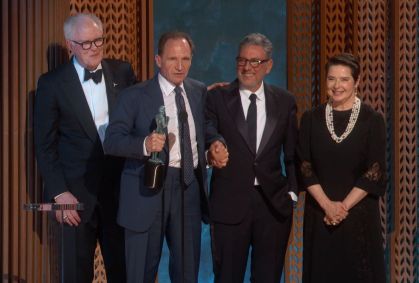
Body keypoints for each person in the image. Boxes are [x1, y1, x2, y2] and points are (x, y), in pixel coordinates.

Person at [103, 31, 227, 283]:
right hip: (146, 187)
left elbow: (205, 128)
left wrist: (215, 144)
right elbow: (112, 141)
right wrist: (145, 144)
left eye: (186, 59)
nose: (180, 66)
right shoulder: (134, 96)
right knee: (140, 273)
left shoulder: (198, 91)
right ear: (158, 60)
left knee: (187, 271)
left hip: (187, 187)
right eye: (173, 59)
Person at [34, 13, 136, 283]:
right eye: (86, 43)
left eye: (98, 41)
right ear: (70, 45)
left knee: (124, 271)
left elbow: (142, 117)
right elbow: (45, 146)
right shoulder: (51, 84)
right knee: (77, 274)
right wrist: (59, 193)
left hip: (119, 194)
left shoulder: (122, 72)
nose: (94, 49)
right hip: (75, 199)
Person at [206, 33, 298, 283]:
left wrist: (292, 194)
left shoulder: (285, 101)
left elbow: (292, 153)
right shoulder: (217, 97)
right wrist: (215, 146)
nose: (247, 67)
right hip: (229, 204)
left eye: (255, 61)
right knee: (227, 277)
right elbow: (208, 131)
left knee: (268, 277)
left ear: (268, 66)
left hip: (273, 206)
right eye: (242, 60)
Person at [298, 53, 386, 283]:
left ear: (356, 82)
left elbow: (374, 170)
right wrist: (328, 206)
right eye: (331, 79)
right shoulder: (311, 118)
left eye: (344, 79)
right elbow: (304, 166)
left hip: (359, 217)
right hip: (321, 216)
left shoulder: (372, 120)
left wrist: (341, 208)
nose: (337, 86)